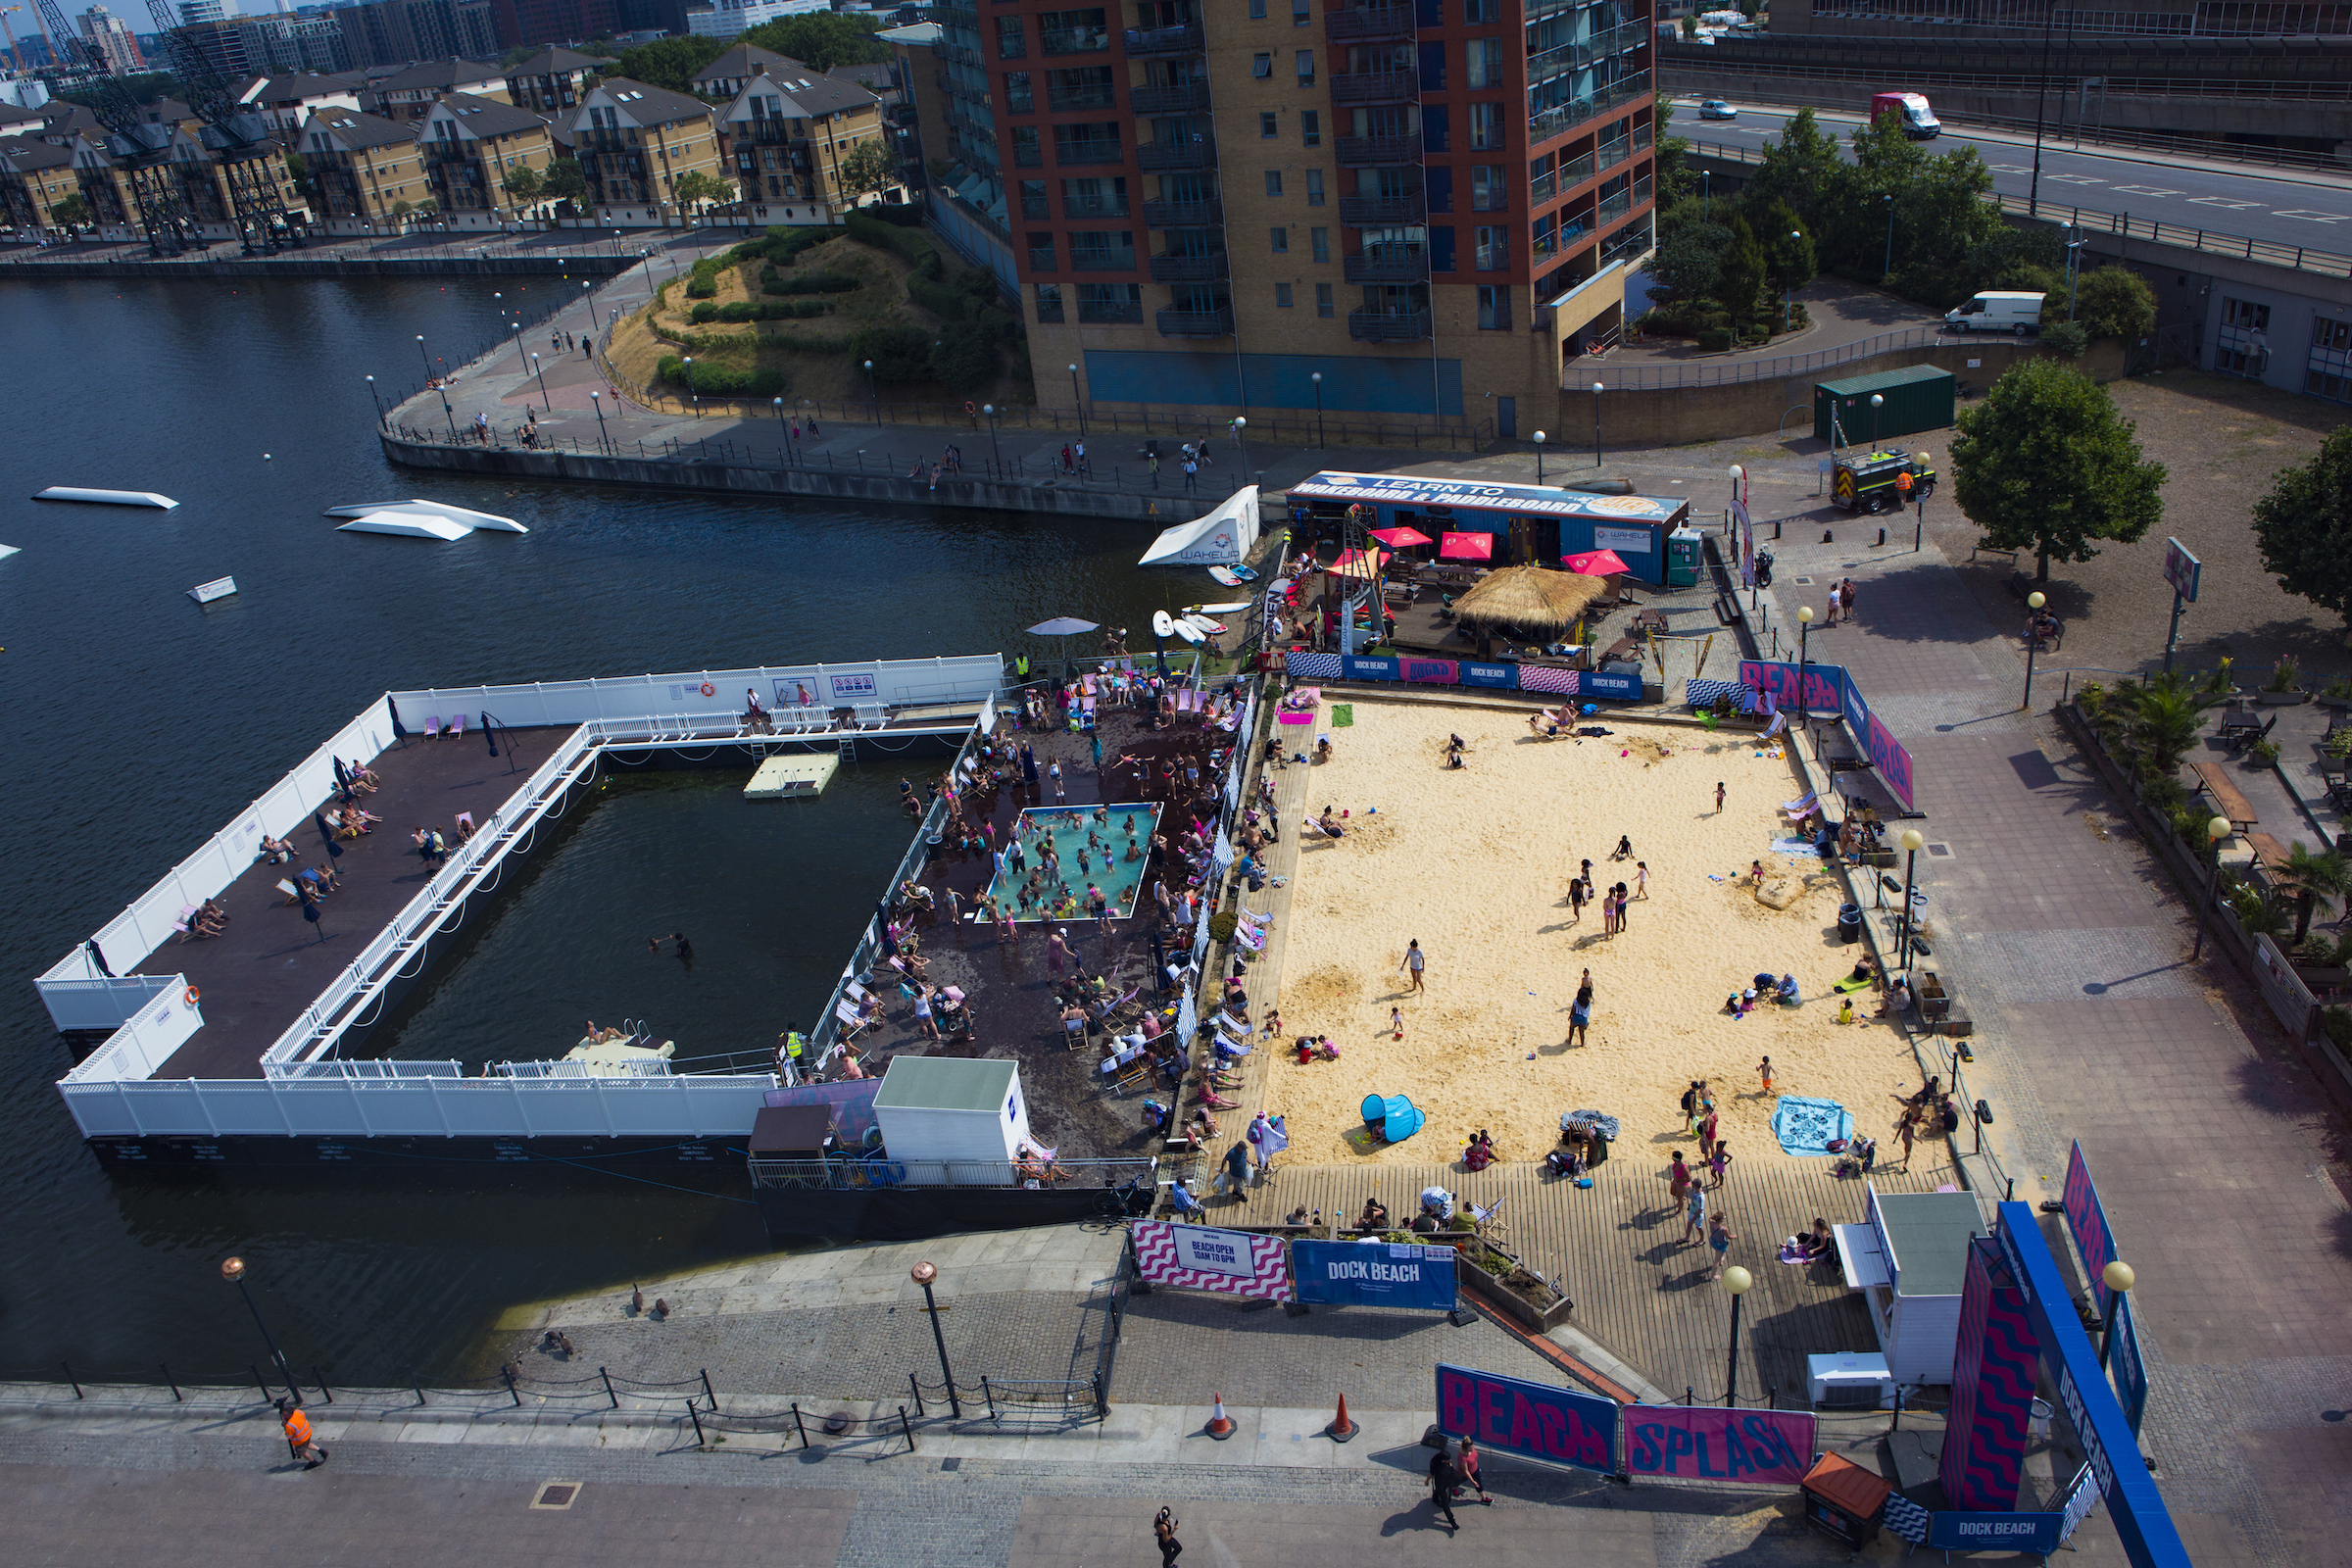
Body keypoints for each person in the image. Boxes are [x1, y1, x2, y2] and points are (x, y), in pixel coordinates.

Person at [279, 1398, 327, 1468]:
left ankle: (313, 1462)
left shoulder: (289, 1425)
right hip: (307, 1432)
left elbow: (289, 1436)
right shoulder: (297, 1412)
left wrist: (285, 1425)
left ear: (289, 1415)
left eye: (285, 1415)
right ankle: (322, 1451)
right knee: (307, 1444)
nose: (284, 1417)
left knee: (302, 1452)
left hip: (299, 1440)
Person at [1428, 1446, 1462, 1532]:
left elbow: (1432, 1473)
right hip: (1442, 1485)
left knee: (1438, 1491)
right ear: (1443, 1461)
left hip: (1442, 1483)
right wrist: (1451, 1468)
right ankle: (1452, 1521)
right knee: (1445, 1504)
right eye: (1448, 1460)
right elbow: (1455, 1476)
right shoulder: (1442, 1468)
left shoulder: (1438, 1462)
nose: (1450, 1461)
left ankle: (1435, 1498)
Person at [1455, 1437, 1493, 1503]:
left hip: (1474, 1469)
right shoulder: (1462, 1457)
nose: (1471, 1448)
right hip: (1463, 1474)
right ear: (1465, 1448)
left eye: (1472, 1446)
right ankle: (1453, 1488)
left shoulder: (1472, 1448)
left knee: (1478, 1484)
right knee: (1456, 1482)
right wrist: (1472, 1481)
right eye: (1469, 1448)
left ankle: (1483, 1497)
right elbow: (1465, 1471)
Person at [1706, 1208, 1739, 1281]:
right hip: (1720, 1245)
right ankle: (1712, 1276)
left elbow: (1710, 1218)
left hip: (1713, 1241)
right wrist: (1735, 1236)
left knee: (1718, 1254)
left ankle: (1721, 1261)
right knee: (1716, 1261)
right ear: (1721, 1220)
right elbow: (1729, 1237)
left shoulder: (1711, 1223)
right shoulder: (1723, 1229)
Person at [1568, 983, 1592, 1048]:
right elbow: (1588, 1010)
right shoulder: (1588, 1002)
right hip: (1584, 1018)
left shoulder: (1576, 1000)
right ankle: (1582, 1043)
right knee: (1581, 1032)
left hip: (1576, 1017)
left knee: (1571, 1028)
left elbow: (1573, 1009)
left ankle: (1569, 1040)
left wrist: (1570, 1016)